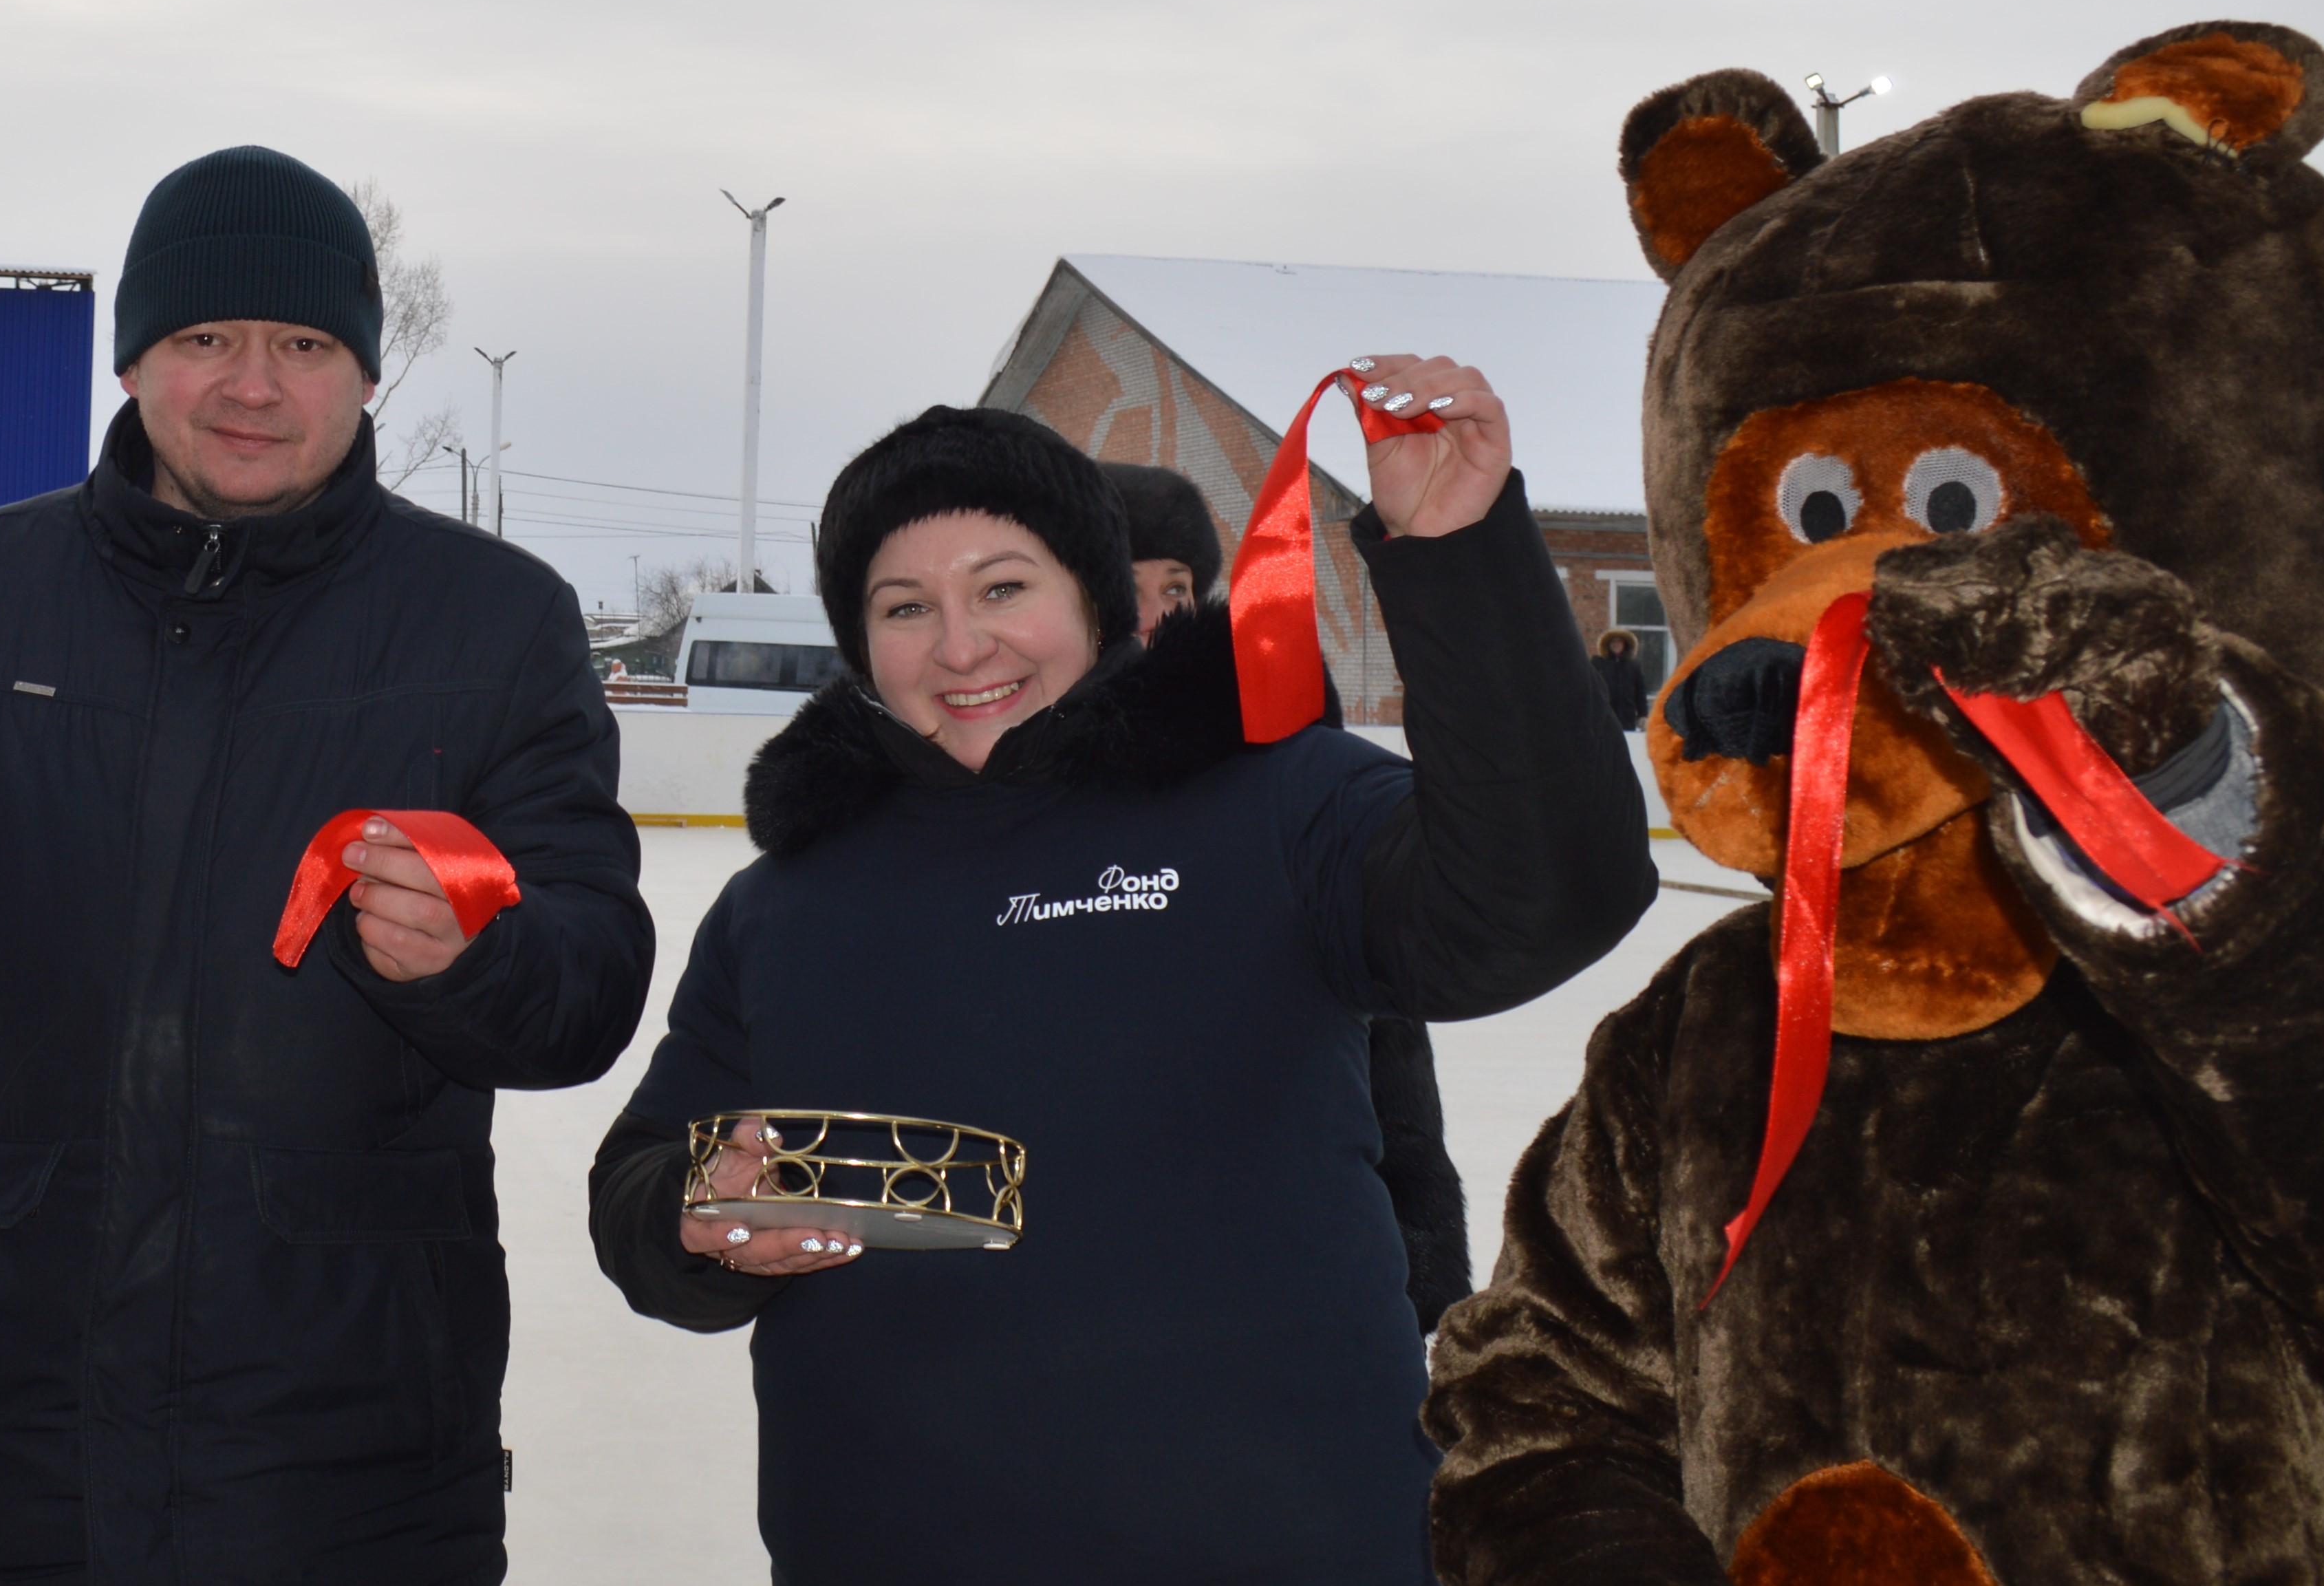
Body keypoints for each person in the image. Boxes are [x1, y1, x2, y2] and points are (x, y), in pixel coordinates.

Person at [0, 145, 652, 1586]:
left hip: (357, 1459)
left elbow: (588, 986)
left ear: (367, 373)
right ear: (134, 359)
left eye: (303, 343)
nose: (252, 383)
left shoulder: (493, 624)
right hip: (7, 1446)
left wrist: (478, 959)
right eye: (205, 337)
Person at [591, 381, 1654, 1583]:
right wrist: (694, 1209)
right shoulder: (784, 905)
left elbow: (1548, 895)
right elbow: (638, 1179)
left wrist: (1458, 560)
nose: (959, 646)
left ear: (1093, 599)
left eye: (1003, 587)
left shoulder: (1274, 802)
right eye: (905, 607)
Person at [1105, 457, 1474, 1333]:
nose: (1154, 615)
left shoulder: (1273, 735)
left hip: (1283, 1229)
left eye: (1177, 584)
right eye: (1125, 587)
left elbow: (1381, 1016)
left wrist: (1416, 1217)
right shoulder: (1018, 764)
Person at [1591, 625, 1655, 729]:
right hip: (1604, 718)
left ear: (1625, 644)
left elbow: (1640, 692)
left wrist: (1643, 715)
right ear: (1608, 645)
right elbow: (1591, 690)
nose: (1616, 645)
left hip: (1627, 719)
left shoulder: (1633, 666)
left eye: (1619, 642)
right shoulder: (1598, 664)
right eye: (1613, 642)